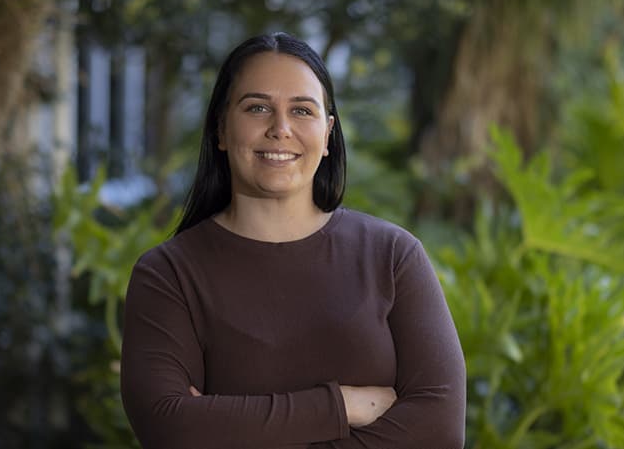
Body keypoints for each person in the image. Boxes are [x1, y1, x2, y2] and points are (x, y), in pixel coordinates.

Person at [120, 32, 466, 449]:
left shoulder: (393, 256)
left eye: (302, 110)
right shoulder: (168, 275)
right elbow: (170, 428)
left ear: (327, 135)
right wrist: (339, 406)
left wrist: (225, 425)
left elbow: (440, 430)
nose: (280, 129)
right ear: (221, 130)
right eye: (258, 108)